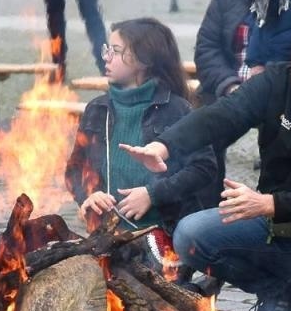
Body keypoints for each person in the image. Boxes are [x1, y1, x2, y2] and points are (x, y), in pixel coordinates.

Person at [121, 5, 291, 311]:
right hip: (270, 218)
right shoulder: (276, 80)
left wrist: (269, 204)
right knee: (189, 235)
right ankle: (276, 292)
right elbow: (223, 114)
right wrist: (163, 145)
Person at [67, 18, 216, 240]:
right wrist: (89, 195)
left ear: (143, 60)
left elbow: (204, 168)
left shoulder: (177, 109)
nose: (106, 57)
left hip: (167, 233)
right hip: (109, 236)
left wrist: (152, 195)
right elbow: (74, 169)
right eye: (107, 49)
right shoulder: (97, 109)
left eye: (116, 51)